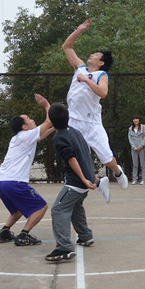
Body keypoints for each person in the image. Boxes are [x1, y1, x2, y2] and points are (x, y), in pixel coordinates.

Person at [62, 19, 129, 194]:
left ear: (101, 62)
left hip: (92, 124)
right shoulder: (80, 68)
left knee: (106, 158)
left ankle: (117, 172)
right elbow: (67, 47)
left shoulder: (101, 75)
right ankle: (99, 183)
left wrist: (85, 80)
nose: (91, 55)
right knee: (74, 158)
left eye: (96, 55)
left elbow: (103, 93)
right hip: (73, 122)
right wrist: (78, 30)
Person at [45, 102, 106, 262]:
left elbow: (71, 158)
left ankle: (64, 248)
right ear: (68, 117)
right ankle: (85, 236)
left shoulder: (59, 138)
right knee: (76, 207)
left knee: (58, 210)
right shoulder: (74, 131)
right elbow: (86, 153)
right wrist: (90, 176)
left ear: (51, 122)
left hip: (76, 183)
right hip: (85, 181)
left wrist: (84, 179)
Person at [0, 94, 55, 246]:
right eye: (29, 119)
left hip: (1, 182)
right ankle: (24, 234)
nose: (32, 120)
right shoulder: (26, 136)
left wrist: (55, 127)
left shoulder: (19, 138)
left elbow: (41, 135)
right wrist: (47, 105)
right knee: (41, 206)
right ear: (24, 127)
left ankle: (4, 231)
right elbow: (48, 121)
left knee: (20, 207)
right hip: (14, 182)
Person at [128, 116, 145, 185]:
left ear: (139, 120)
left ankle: (143, 179)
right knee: (135, 164)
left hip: (141, 148)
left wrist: (141, 145)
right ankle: (134, 179)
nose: (135, 120)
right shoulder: (130, 128)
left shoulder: (143, 127)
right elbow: (129, 138)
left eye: (136, 119)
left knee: (143, 164)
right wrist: (134, 147)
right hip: (134, 148)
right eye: (134, 119)